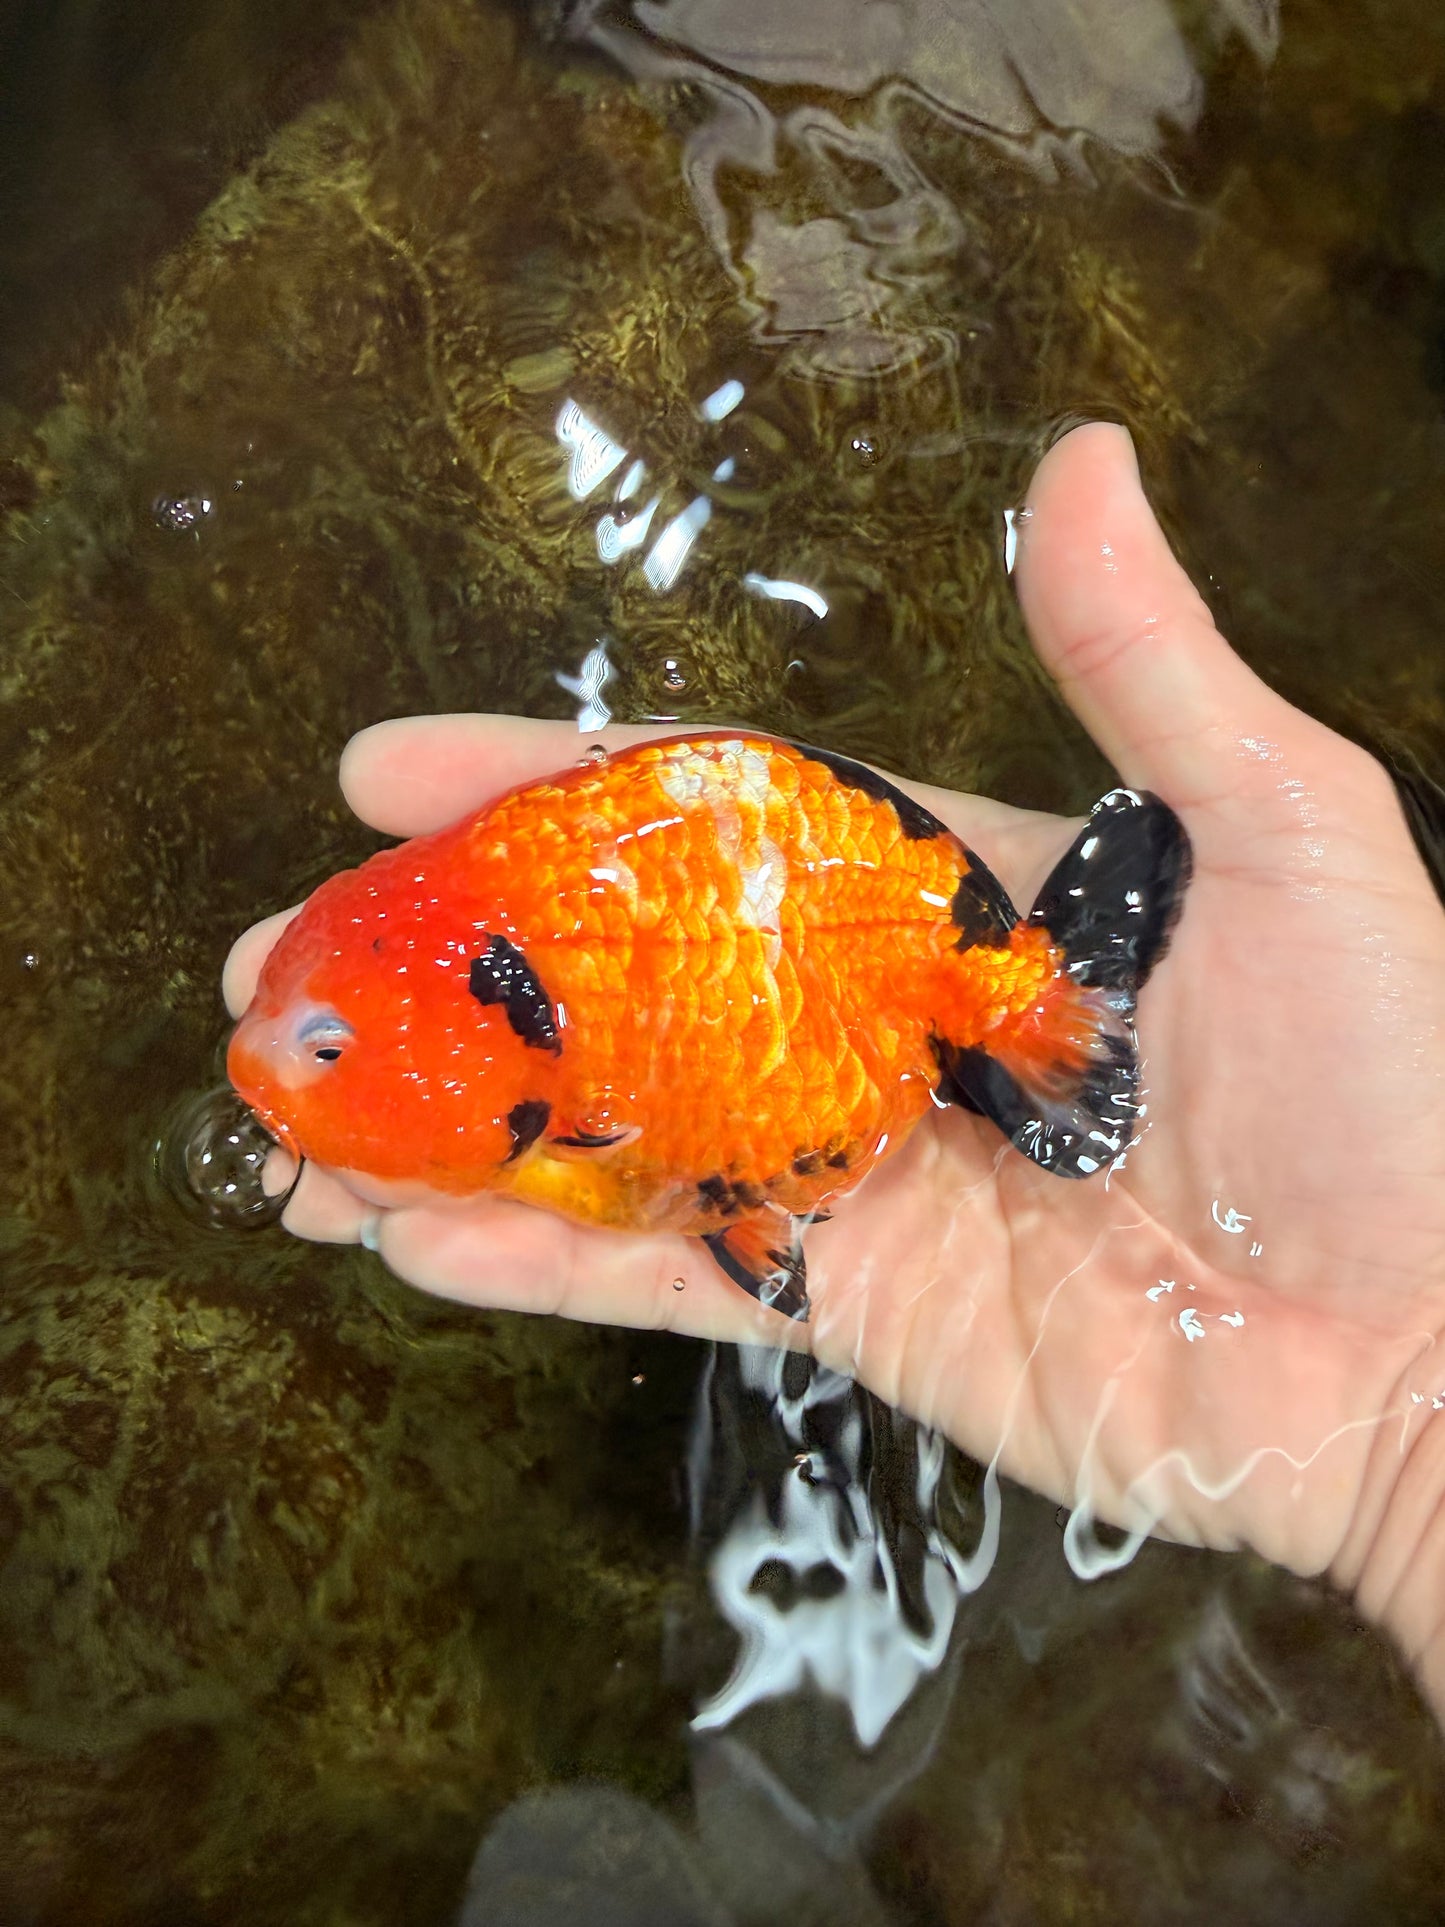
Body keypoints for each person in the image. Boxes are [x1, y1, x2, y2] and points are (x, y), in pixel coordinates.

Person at [224, 424, 1445, 1716]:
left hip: (862, 974)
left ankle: (1029, 1016)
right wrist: (1400, 1450)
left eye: (325, 1050)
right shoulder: (518, 1005)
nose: (282, 1064)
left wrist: (1409, 1411)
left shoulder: (574, 1086)